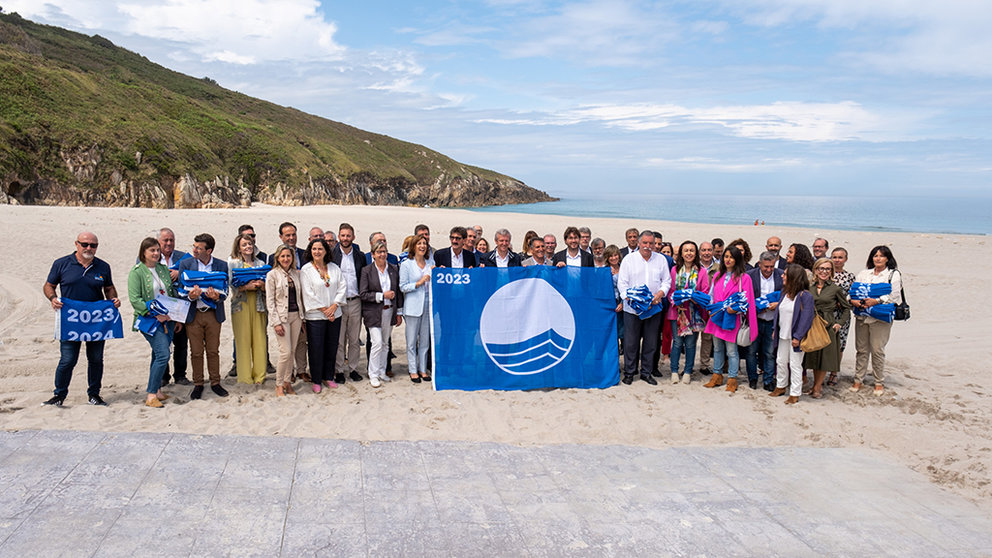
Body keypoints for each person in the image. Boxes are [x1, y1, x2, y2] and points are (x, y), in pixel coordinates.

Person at [43, 232, 121, 407]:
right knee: (68, 359)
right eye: (85, 244)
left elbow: (109, 288)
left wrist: (113, 299)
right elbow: (49, 285)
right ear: (76, 244)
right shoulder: (61, 264)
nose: (89, 248)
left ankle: (94, 394)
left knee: (95, 359)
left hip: (96, 321)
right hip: (71, 320)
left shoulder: (103, 266)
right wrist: (53, 298)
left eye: (93, 245)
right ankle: (59, 395)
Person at [178, 233, 229, 400]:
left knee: (213, 351)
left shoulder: (221, 265)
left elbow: (226, 290)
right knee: (196, 352)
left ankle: (215, 382)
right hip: (194, 314)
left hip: (213, 314)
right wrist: (191, 296)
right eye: (194, 246)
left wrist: (217, 297)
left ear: (209, 250)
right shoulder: (186, 264)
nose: (194, 250)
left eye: (198, 248)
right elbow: (179, 290)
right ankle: (198, 384)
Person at [617, 231, 671, 385]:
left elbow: (666, 281)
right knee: (630, 342)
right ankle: (629, 372)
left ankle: (646, 373)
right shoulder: (629, 259)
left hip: (653, 308)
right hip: (632, 309)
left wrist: (660, 294)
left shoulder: (660, 260)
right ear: (639, 243)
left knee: (651, 342)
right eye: (645, 243)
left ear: (655, 244)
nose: (648, 246)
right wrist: (628, 296)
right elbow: (622, 283)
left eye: (651, 243)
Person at [128, 237, 177, 408]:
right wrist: (155, 314)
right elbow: (135, 299)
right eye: (152, 251)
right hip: (150, 320)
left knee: (158, 354)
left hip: (168, 319)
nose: (156, 253)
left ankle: (157, 391)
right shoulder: (137, 272)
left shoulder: (163, 269)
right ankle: (150, 395)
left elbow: (171, 293)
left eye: (158, 250)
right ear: (144, 252)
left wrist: (174, 314)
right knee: (164, 354)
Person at [702, 246, 757, 393]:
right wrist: (710, 308)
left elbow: (747, 300)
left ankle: (732, 378)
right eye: (726, 256)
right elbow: (711, 295)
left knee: (732, 351)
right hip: (717, 317)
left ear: (737, 259)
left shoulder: (744, 278)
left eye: (731, 257)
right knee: (718, 348)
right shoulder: (718, 275)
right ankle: (717, 375)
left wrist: (736, 309)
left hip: (732, 319)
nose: (728, 260)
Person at [850, 246, 903, 395]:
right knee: (861, 349)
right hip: (862, 315)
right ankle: (858, 379)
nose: (878, 258)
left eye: (881, 256)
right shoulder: (864, 273)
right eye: (875, 256)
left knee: (877, 350)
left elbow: (893, 296)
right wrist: (854, 301)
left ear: (888, 258)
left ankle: (878, 381)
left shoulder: (893, 274)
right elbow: (854, 291)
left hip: (880, 317)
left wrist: (876, 300)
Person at [301, 238, 346, 393]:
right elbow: (308, 293)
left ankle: (328, 376)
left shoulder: (334, 268)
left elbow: (342, 287)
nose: (317, 252)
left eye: (320, 249)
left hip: (335, 314)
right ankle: (316, 379)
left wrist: (334, 306)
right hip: (315, 316)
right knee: (316, 348)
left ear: (326, 251)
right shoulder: (306, 270)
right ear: (310, 251)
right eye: (314, 249)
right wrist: (325, 310)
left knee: (332, 346)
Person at [804, 257, 851, 398]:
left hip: (828, 324)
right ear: (816, 270)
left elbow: (846, 308)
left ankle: (818, 386)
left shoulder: (835, 288)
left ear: (831, 271)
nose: (824, 272)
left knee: (824, 359)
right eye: (821, 268)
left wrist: (839, 323)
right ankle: (814, 385)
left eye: (827, 269)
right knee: (813, 356)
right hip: (811, 324)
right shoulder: (809, 287)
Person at [769, 264, 815, 404]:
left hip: (795, 336)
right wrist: (774, 330)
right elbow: (778, 314)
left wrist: (798, 336)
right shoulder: (785, 293)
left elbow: (806, 318)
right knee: (781, 361)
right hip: (782, 334)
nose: (782, 276)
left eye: (786, 274)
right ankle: (781, 386)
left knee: (795, 364)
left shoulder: (805, 296)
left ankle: (795, 392)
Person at [361, 240, 403, 388]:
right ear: (373, 254)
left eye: (384, 251)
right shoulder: (367, 271)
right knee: (377, 343)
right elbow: (364, 294)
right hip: (373, 313)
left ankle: (381, 371)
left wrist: (399, 312)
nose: (382, 254)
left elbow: (397, 292)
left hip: (389, 312)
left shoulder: (393, 269)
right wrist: (382, 295)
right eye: (379, 252)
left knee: (385, 344)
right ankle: (372, 373)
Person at [666, 240, 709, 385]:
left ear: (695, 253)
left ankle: (688, 372)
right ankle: (674, 371)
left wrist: (695, 298)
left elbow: (705, 291)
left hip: (694, 312)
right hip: (677, 312)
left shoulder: (702, 271)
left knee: (691, 344)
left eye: (691, 250)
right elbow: (670, 291)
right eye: (686, 250)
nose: (689, 253)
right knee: (677, 343)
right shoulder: (674, 270)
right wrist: (676, 302)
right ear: (681, 254)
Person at [266, 244, 306, 396]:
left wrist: (302, 318)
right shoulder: (272, 275)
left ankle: (288, 383)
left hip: (296, 316)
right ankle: (279, 384)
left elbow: (300, 297)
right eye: (282, 256)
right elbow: (270, 301)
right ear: (277, 257)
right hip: (281, 317)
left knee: (293, 351)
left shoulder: (296, 274)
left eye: (288, 256)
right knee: (285, 352)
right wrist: (275, 322)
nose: (285, 259)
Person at [228, 233, 268, 384]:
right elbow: (231, 284)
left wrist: (262, 286)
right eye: (244, 245)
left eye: (250, 244)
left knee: (259, 340)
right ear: (238, 247)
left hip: (258, 305)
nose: (248, 247)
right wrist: (246, 287)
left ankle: (260, 376)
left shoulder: (260, 262)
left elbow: (267, 283)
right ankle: (245, 377)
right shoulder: (233, 263)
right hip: (241, 305)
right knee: (242, 341)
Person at [331, 223, 366, 384]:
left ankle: (352, 368)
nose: (345, 238)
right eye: (343, 235)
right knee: (339, 340)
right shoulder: (331, 255)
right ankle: (338, 370)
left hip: (355, 301)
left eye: (348, 235)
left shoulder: (360, 256)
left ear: (353, 237)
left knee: (354, 339)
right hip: (338, 303)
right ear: (339, 237)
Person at [155, 227, 191, 386]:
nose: (169, 243)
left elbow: (190, 278)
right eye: (165, 240)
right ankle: (163, 376)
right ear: (158, 241)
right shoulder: (150, 256)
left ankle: (180, 375)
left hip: (179, 307)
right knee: (160, 344)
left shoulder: (183, 257)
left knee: (181, 343)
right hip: (159, 308)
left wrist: (179, 273)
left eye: (171, 240)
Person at [744, 251, 784, 391]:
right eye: (766, 266)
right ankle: (753, 378)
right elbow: (744, 297)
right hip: (755, 319)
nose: (768, 270)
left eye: (771, 267)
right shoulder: (750, 275)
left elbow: (787, 296)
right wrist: (755, 307)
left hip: (772, 320)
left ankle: (768, 380)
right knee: (751, 351)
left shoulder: (781, 275)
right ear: (760, 264)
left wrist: (777, 305)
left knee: (769, 352)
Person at [400, 234, 433, 383]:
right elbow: (403, 286)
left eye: (424, 243)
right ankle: (413, 370)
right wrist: (419, 283)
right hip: (413, 305)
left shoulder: (431, 262)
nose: (422, 246)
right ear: (413, 246)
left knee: (425, 340)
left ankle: (422, 369)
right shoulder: (407, 264)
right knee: (412, 340)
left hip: (428, 303)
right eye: (419, 243)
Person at [831, 247, 856, 377]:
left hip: (842, 314)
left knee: (840, 344)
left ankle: (834, 372)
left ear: (846, 259)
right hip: (827, 313)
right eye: (834, 257)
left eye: (840, 257)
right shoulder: (825, 273)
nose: (837, 260)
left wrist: (844, 302)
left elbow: (854, 296)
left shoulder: (850, 276)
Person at [605, 245, 624, 345]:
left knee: (623, 330)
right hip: (610, 303)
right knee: (613, 330)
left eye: (615, 255)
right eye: (610, 256)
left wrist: (623, 303)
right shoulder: (604, 270)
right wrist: (607, 275)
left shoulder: (624, 267)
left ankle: (624, 350)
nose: (613, 258)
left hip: (623, 301)